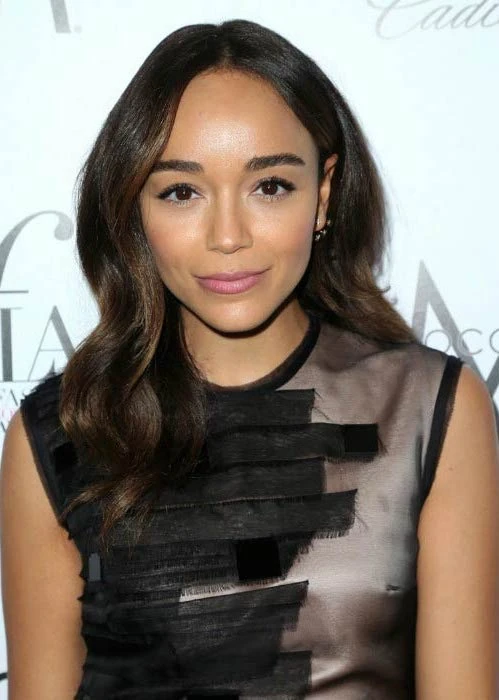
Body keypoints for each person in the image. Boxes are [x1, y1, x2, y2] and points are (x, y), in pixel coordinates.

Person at [0, 17, 497, 700]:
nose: (228, 236)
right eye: (181, 192)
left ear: (323, 194)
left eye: (270, 186)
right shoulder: (64, 433)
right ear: (134, 209)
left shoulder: (426, 410)